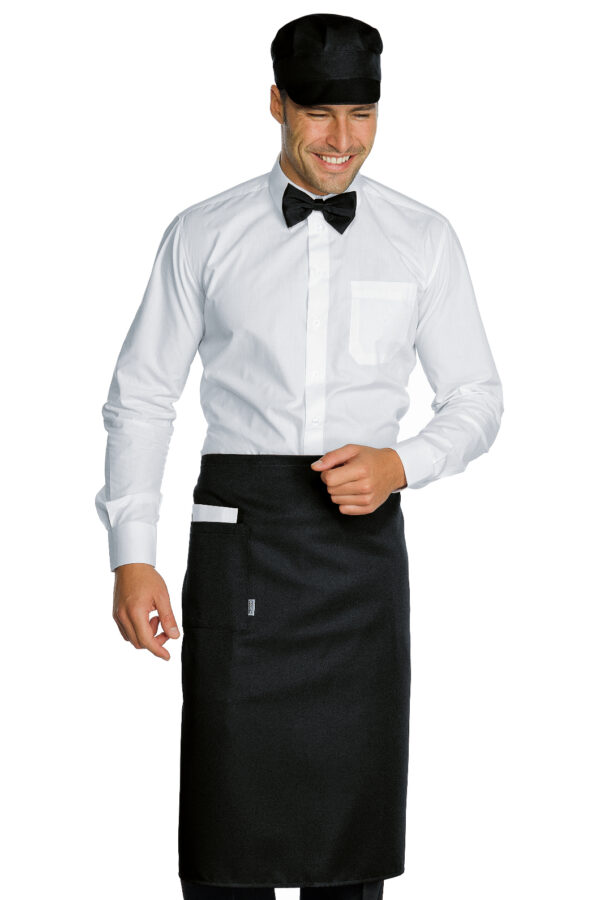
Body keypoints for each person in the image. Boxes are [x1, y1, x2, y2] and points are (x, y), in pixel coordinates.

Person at [95, 12, 503, 900]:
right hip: (242, 540)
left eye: (362, 114)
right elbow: (143, 397)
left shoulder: (423, 237)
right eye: (319, 113)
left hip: (359, 556)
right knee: (225, 847)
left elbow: (477, 398)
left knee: (348, 856)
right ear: (277, 104)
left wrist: (402, 464)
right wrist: (132, 555)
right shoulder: (202, 233)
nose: (342, 140)